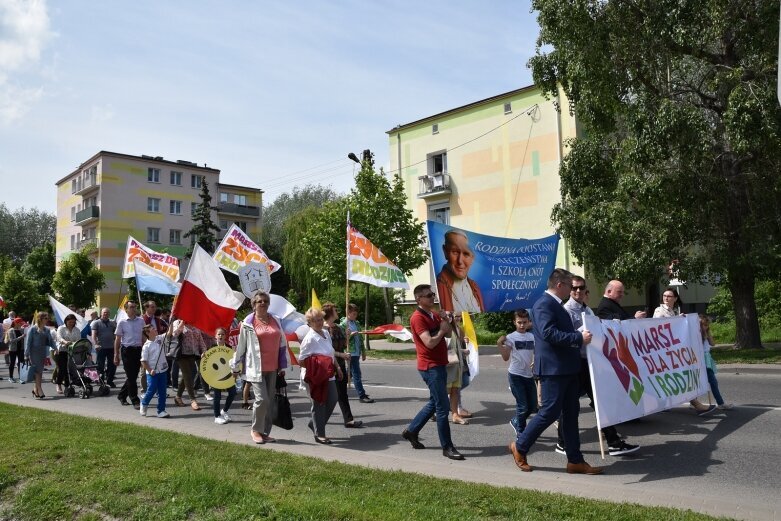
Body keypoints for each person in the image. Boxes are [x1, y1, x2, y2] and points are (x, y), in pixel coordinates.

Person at [509, 268, 604, 475]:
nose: (572, 290)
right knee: (550, 411)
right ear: (560, 285)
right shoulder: (544, 304)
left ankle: (575, 461)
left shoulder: (556, 304)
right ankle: (520, 446)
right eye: (570, 286)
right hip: (553, 369)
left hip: (567, 368)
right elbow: (548, 333)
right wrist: (578, 338)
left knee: (571, 414)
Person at [559, 276, 640, 456]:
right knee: (569, 403)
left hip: (590, 360)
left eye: (581, 288)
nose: (578, 291)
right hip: (575, 362)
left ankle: (613, 441)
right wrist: (583, 332)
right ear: (569, 290)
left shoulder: (587, 309)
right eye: (574, 288)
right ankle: (562, 442)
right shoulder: (566, 310)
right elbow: (565, 336)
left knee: (599, 400)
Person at [401, 284, 465, 461]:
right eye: (428, 295)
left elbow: (449, 334)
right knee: (442, 407)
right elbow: (429, 342)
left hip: (440, 364)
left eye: (433, 294)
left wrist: (449, 321)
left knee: (434, 402)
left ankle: (412, 431)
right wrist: (442, 329)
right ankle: (447, 447)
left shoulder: (434, 314)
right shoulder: (417, 318)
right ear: (418, 299)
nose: (432, 297)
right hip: (430, 367)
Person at [231, 291, 289, 444]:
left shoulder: (275, 320)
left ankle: (264, 432)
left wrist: (282, 364)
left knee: (269, 401)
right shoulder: (248, 323)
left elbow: (282, 343)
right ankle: (255, 430)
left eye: (265, 301)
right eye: (259, 301)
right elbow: (241, 347)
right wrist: (235, 366)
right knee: (262, 399)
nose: (262, 303)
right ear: (254, 305)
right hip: (255, 368)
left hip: (273, 368)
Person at [652, 288, 717, 416]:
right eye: (664, 295)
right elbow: (658, 326)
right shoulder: (659, 310)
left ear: (675, 298)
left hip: (673, 351)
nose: (666, 298)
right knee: (680, 376)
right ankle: (696, 404)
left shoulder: (673, 311)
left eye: (669, 296)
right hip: (665, 352)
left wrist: (679, 319)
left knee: (671, 378)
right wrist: (677, 320)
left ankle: (663, 403)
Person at [298, 307, 341, 445]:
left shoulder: (325, 333)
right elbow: (301, 360)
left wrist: (338, 367)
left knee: (333, 399)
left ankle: (314, 424)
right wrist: (316, 368)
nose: (319, 322)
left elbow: (331, 352)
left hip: (328, 374)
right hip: (315, 377)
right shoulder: (309, 339)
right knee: (319, 403)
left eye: (321, 319)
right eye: (316, 320)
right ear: (309, 322)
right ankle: (320, 434)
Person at [323, 303, 362, 428]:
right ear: (329, 313)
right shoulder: (323, 329)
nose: (337, 312)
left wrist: (347, 336)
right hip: (328, 366)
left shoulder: (339, 327)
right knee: (329, 396)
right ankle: (317, 420)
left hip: (340, 365)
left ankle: (348, 419)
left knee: (342, 394)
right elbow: (326, 350)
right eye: (335, 310)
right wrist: (342, 355)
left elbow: (344, 344)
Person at [498, 310, 536, 436]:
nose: (522, 325)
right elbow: (505, 357)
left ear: (529, 322)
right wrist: (499, 344)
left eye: (524, 322)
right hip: (515, 375)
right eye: (519, 322)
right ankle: (521, 431)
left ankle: (516, 421)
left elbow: (536, 353)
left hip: (529, 375)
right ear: (514, 322)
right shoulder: (511, 337)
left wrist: (535, 361)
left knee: (532, 406)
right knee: (523, 406)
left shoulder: (532, 337)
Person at [435, 230, 484, 313]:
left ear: (472, 258)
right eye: (455, 252)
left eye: (466, 254)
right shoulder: (439, 285)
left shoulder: (475, 287)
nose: (460, 261)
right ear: (445, 252)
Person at [340, 303, 374, 403]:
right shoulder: (343, 324)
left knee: (348, 374)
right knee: (357, 374)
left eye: (356, 314)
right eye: (353, 314)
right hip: (350, 352)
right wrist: (350, 335)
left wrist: (363, 352)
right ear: (348, 313)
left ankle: (339, 389)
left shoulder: (356, 323)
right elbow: (343, 340)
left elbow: (360, 338)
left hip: (357, 352)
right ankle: (361, 395)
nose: (355, 316)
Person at [170, 320, 208, 411]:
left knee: (187, 376)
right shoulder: (178, 322)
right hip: (181, 354)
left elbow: (200, 340)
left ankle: (178, 396)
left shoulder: (195, 324)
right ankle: (193, 399)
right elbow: (174, 335)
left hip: (192, 354)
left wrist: (203, 350)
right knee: (187, 375)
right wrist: (181, 325)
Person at [114, 300, 145, 409]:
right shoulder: (122, 322)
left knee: (133, 376)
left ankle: (121, 395)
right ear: (126, 309)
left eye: (135, 307)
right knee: (131, 377)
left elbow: (144, 336)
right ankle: (134, 399)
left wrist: (146, 349)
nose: (134, 309)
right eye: (131, 307)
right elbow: (117, 339)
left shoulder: (141, 321)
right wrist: (116, 354)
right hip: (127, 350)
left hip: (138, 350)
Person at [699, 314, 733, 410]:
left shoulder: (705, 333)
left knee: (711, 382)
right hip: (700, 360)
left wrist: (707, 333)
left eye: (707, 325)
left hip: (707, 358)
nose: (706, 327)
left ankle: (720, 403)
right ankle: (720, 403)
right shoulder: (696, 335)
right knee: (710, 381)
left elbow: (713, 343)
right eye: (704, 325)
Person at [139, 324, 170, 418]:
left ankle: (161, 411)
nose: (155, 329)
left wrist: (171, 322)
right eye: (153, 329)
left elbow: (170, 333)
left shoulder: (159, 338)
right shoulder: (146, 346)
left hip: (163, 370)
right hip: (152, 372)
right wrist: (150, 370)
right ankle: (144, 403)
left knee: (162, 391)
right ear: (148, 333)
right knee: (151, 390)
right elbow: (143, 361)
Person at [24, 311, 55, 399]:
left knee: (40, 372)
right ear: (40, 319)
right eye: (46, 318)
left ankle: (35, 389)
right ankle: (40, 389)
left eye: (47, 318)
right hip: (33, 352)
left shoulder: (46, 329)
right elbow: (28, 343)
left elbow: (51, 341)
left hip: (42, 352)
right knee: (37, 371)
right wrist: (26, 354)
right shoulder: (32, 329)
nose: (47, 320)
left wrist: (56, 348)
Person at [447, 315, 470, 425]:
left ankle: (455, 413)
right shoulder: (443, 327)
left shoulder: (459, 329)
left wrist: (464, 346)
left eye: (458, 316)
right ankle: (434, 411)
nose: (457, 318)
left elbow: (457, 345)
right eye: (454, 316)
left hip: (459, 362)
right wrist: (461, 350)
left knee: (456, 389)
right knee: (446, 391)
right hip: (448, 363)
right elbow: (445, 346)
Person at [211, 327, 236, 425]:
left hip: (228, 375)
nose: (220, 336)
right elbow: (207, 362)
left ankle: (224, 411)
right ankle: (217, 416)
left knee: (233, 392)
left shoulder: (229, 348)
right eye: (219, 334)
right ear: (215, 336)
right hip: (216, 376)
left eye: (222, 334)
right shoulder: (212, 348)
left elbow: (234, 362)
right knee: (217, 396)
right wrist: (204, 355)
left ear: (225, 336)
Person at [55, 313, 81, 394]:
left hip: (72, 351)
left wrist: (75, 344)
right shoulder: (61, 328)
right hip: (62, 350)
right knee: (63, 368)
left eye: (73, 322)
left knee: (70, 369)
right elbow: (59, 337)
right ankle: (58, 384)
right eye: (70, 322)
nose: (71, 324)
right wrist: (65, 342)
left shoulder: (77, 329)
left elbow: (79, 339)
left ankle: (67, 386)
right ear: (66, 321)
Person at [91, 307, 117, 387]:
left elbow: (116, 335)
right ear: (101, 313)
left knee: (112, 365)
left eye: (107, 313)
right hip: (101, 347)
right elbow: (94, 335)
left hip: (111, 347)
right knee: (100, 365)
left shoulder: (112, 323)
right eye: (104, 312)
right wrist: (95, 344)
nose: (106, 314)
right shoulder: (96, 323)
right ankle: (100, 380)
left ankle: (110, 380)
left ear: (109, 314)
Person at [6, 317, 27, 383]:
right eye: (20, 323)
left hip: (20, 349)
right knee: (12, 363)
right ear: (16, 323)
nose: (21, 324)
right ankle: (10, 377)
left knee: (21, 363)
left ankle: (21, 378)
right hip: (13, 349)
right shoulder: (11, 330)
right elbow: (12, 341)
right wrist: (21, 337)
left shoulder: (21, 330)